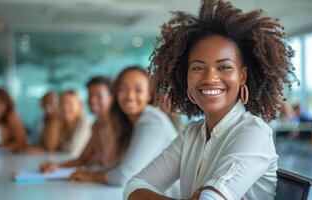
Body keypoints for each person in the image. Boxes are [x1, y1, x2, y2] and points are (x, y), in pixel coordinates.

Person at [124, 0, 296, 199]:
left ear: (242, 76)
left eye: (224, 67)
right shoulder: (192, 134)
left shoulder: (253, 133)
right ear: (185, 76)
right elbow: (133, 187)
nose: (209, 78)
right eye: (197, 67)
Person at [60, 66, 177, 186]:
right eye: (123, 89)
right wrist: (90, 173)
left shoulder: (152, 121)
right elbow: (120, 166)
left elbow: (123, 176)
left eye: (138, 90)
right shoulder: (129, 122)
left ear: (149, 95)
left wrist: (90, 176)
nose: (130, 96)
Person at [40, 76, 118, 171]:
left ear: (112, 98)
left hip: (112, 182)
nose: (92, 100)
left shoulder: (118, 125)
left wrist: (89, 176)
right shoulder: (97, 125)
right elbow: (83, 159)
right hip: (100, 179)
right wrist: (58, 166)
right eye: (90, 95)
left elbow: (114, 168)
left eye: (99, 96)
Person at [43, 90, 92, 157]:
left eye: (70, 103)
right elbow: (50, 147)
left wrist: (59, 147)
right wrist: (55, 120)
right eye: (62, 103)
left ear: (80, 106)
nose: (65, 107)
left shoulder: (85, 122)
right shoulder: (61, 122)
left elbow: (72, 151)